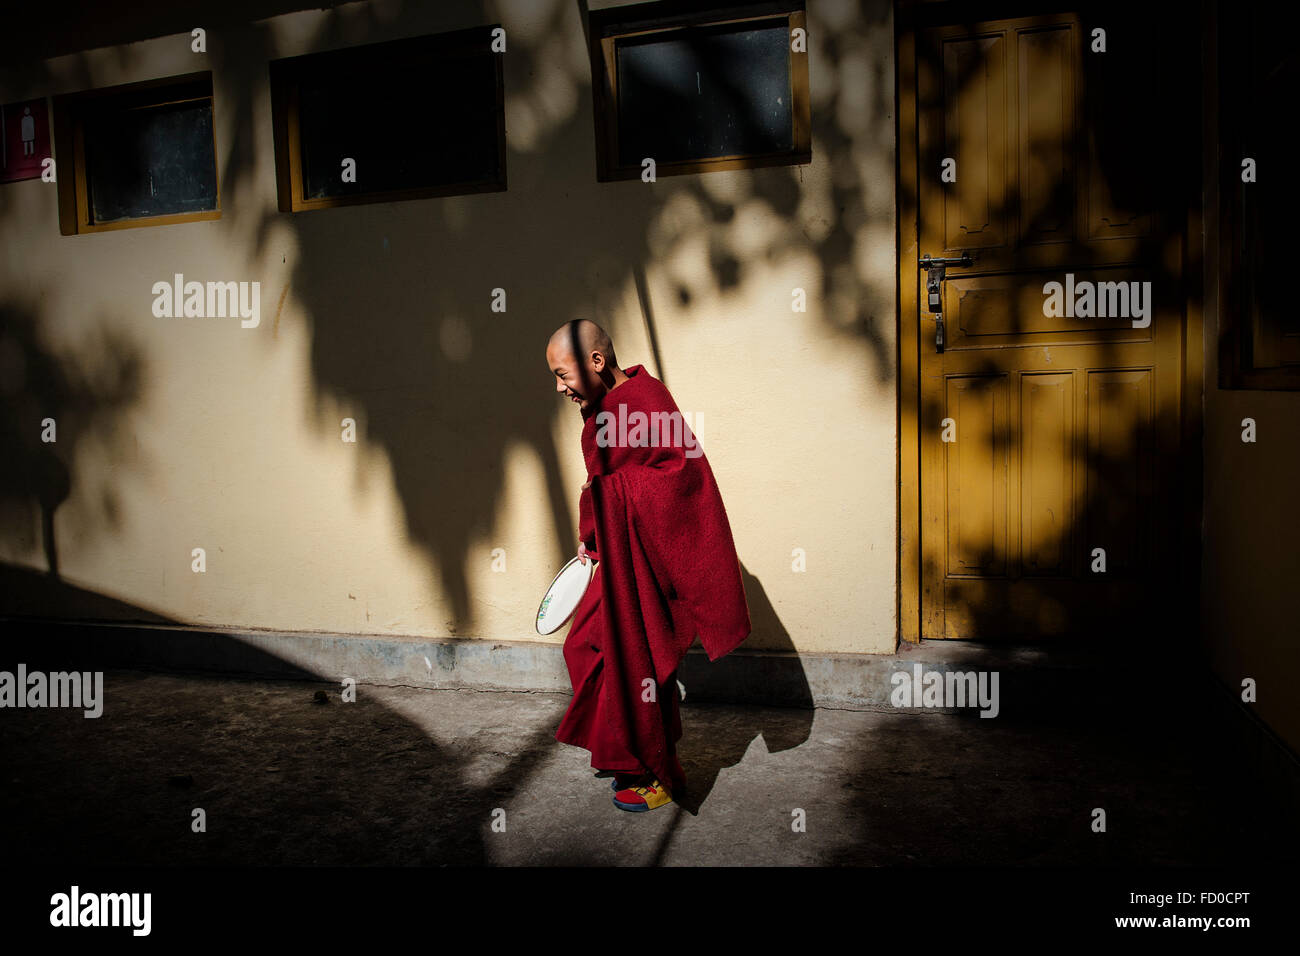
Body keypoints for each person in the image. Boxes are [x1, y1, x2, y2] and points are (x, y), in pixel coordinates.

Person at [544, 319, 751, 812]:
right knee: (586, 645)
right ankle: (624, 751)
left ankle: (655, 772)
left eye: (562, 374)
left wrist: (606, 501)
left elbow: (682, 476)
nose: (559, 388)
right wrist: (594, 537)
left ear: (596, 361)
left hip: (647, 559)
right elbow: (608, 479)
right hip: (620, 553)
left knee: (637, 658)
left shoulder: (646, 400)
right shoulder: (604, 406)